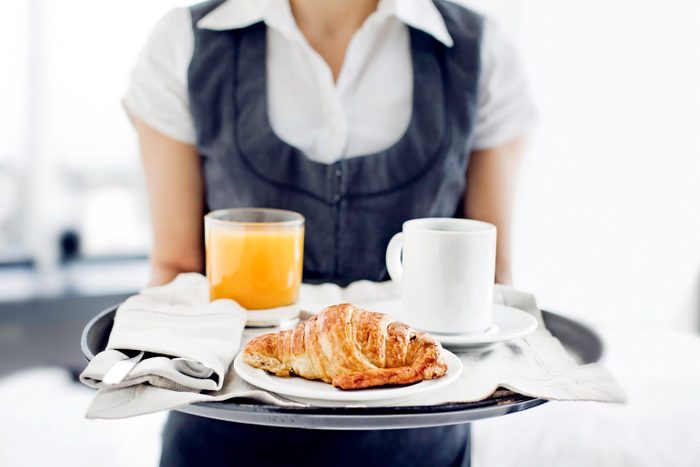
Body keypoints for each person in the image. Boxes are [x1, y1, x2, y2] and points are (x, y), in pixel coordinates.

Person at [125, 0, 535, 465]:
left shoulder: (481, 51)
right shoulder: (183, 42)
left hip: (419, 442)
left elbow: (489, 280)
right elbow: (177, 270)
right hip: (223, 439)